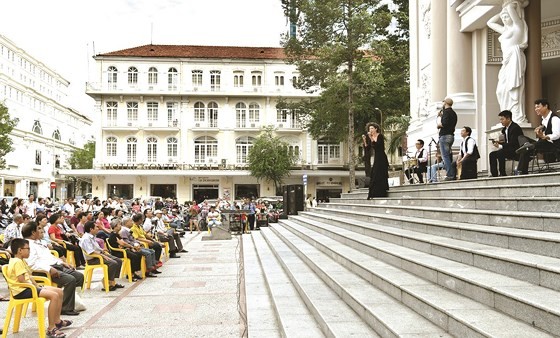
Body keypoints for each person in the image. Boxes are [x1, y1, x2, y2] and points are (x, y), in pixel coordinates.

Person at [6, 238, 72, 338]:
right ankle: (51, 328)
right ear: (20, 250)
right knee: (54, 296)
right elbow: (21, 279)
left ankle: (57, 321)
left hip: (28, 288)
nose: (29, 251)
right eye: (28, 249)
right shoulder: (17, 262)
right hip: (22, 290)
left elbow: (29, 276)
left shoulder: (21, 260)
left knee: (59, 291)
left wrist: (38, 286)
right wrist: (35, 288)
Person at [23, 221, 84, 316]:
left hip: (55, 266)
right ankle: (65, 308)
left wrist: (62, 262)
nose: (41, 231)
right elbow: (32, 264)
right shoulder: (28, 245)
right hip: (43, 271)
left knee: (79, 276)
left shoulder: (39, 243)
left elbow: (49, 257)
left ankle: (74, 302)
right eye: (38, 229)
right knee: (70, 280)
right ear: (33, 232)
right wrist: (49, 269)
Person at [487, 1, 528, 123]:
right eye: (503, 17)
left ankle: (516, 115)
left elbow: (510, 8)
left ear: (513, 16)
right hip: (506, 62)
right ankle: (506, 113)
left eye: (507, 16)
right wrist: (501, 12)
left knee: (514, 88)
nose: (504, 18)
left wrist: (510, 5)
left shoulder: (518, 26)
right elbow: (489, 22)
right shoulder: (504, 31)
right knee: (500, 90)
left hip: (515, 59)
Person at [517, 98, 560, 174]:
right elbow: (543, 130)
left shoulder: (555, 119)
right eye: (535, 107)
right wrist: (540, 131)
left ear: (545, 106)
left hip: (553, 145)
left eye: (538, 107)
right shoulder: (543, 120)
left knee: (528, 148)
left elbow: (557, 135)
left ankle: (520, 171)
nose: (536, 109)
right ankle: (526, 145)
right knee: (521, 137)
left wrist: (544, 136)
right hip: (542, 142)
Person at [79, 221, 123, 291]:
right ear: (91, 229)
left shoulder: (92, 237)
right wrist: (102, 255)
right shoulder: (86, 238)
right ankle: (108, 283)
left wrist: (103, 251)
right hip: (93, 259)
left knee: (119, 260)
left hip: (99, 255)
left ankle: (111, 280)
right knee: (113, 263)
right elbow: (90, 252)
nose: (98, 228)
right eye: (96, 227)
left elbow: (96, 248)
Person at [489, 110, 524, 177]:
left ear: (508, 119)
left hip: (516, 150)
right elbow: (507, 141)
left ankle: (503, 173)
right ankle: (494, 174)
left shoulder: (515, 128)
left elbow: (513, 143)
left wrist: (500, 146)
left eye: (502, 119)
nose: (501, 121)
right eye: (500, 119)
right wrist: (499, 142)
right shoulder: (505, 129)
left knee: (500, 152)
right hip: (508, 149)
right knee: (492, 154)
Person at [366, 123, 389, 199]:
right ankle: (373, 193)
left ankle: (382, 192)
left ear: (376, 129)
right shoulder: (371, 137)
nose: (370, 130)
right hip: (376, 157)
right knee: (374, 173)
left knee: (380, 173)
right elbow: (368, 148)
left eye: (372, 128)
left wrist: (370, 137)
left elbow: (378, 146)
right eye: (369, 129)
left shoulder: (380, 136)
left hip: (381, 156)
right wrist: (365, 140)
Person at [437, 97, 458, 180]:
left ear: (445, 103)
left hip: (445, 136)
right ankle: (452, 173)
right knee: (448, 156)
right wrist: (442, 116)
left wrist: (439, 124)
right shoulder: (453, 113)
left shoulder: (446, 112)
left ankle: (450, 175)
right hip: (451, 136)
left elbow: (445, 123)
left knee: (445, 156)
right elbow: (450, 122)